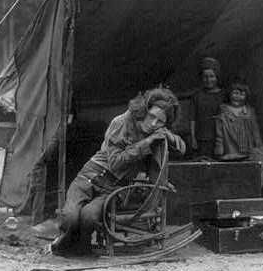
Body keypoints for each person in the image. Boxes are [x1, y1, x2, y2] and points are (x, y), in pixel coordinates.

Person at [50, 88, 186, 255]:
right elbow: (115, 163)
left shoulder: (157, 132)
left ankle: (82, 247)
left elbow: (181, 149)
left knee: (89, 217)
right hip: (89, 177)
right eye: (152, 116)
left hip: (112, 188)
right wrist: (147, 143)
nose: (153, 124)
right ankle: (63, 244)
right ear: (144, 110)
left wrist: (169, 135)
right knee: (70, 217)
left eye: (160, 121)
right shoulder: (121, 122)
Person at [214, 79, 262, 160]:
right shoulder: (224, 110)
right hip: (230, 148)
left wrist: (258, 146)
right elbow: (219, 131)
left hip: (247, 150)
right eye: (235, 93)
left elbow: (255, 130)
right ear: (229, 93)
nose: (238, 97)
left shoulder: (249, 111)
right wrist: (219, 147)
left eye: (242, 94)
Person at [189, 57, 225, 159]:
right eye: (205, 77)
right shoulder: (197, 96)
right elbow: (192, 119)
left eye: (212, 76)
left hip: (221, 139)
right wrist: (193, 138)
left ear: (217, 77)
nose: (208, 80)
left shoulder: (224, 95)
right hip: (202, 139)